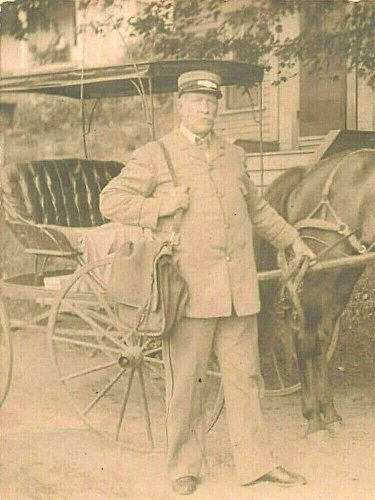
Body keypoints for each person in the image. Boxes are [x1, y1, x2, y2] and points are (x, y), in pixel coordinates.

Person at [99, 70, 315, 495]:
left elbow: (257, 211)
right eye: (196, 101)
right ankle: (184, 466)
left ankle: (255, 464)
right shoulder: (156, 155)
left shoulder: (233, 156)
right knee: (187, 386)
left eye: (212, 102)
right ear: (180, 105)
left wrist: (293, 240)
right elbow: (111, 200)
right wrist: (161, 205)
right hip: (190, 293)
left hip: (238, 292)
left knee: (246, 381)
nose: (205, 109)